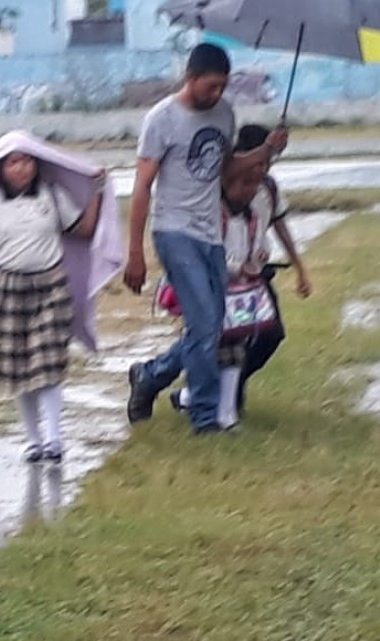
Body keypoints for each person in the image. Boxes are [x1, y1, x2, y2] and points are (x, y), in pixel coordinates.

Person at [123, 43, 288, 433]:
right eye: (210, 86)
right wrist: (135, 252)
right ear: (190, 78)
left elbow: (227, 166)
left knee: (216, 326)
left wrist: (266, 149)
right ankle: (206, 418)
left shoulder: (224, 114)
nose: (217, 94)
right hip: (174, 232)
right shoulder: (161, 119)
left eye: (222, 87)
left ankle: (150, 375)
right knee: (204, 325)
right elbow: (142, 187)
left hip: (210, 233)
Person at [0, 152, 107, 462]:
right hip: (5, 289)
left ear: (37, 165)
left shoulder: (52, 196)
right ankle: (34, 440)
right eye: (13, 162)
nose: (21, 168)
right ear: (1, 169)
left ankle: (55, 440)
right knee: (21, 368)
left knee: (49, 362)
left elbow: (83, 229)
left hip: (50, 286)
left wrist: (96, 192)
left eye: (27, 161)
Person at [170, 162, 273, 429]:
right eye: (245, 184)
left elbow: (262, 245)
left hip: (238, 294)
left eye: (254, 185)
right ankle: (198, 400)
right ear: (226, 185)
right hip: (208, 291)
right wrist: (239, 267)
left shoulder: (253, 218)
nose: (251, 191)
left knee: (235, 349)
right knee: (207, 348)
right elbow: (207, 253)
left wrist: (260, 257)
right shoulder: (213, 216)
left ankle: (224, 413)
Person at [230, 124, 313, 412]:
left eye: (269, 161)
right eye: (263, 158)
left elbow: (279, 223)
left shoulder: (269, 187)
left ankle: (232, 385)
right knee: (227, 337)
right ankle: (204, 393)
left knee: (270, 333)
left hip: (257, 275)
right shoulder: (225, 183)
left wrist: (300, 266)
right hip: (227, 274)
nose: (265, 167)